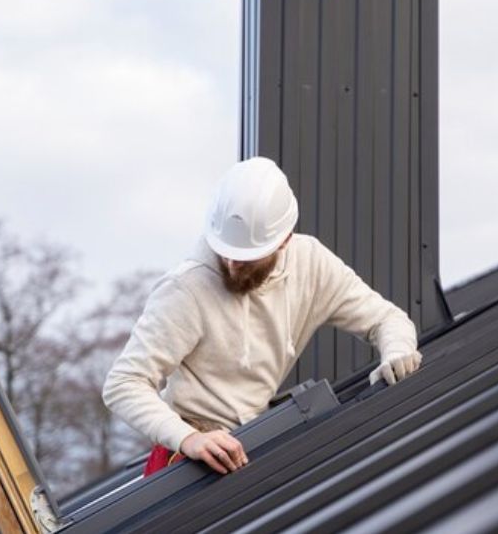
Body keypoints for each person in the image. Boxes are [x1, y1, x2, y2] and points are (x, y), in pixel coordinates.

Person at [103, 157, 422, 476]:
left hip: (250, 445)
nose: (231, 265)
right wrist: (189, 439)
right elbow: (124, 383)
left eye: (245, 259)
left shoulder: (311, 265)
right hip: (186, 458)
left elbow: (387, 319)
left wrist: (397, 352)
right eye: (225, 253)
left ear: (284, 240)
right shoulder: (186, 288)